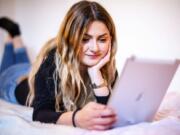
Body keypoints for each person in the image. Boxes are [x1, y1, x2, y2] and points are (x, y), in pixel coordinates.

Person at [27, 0, 118, 130]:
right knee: (14, 69)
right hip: (15, 84)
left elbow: (107, 113)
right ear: (71, 40)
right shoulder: (52, 63)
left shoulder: (107, 67)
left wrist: (96, 76)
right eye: (84, 39)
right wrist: (76, 118)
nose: (95, 48)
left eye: (102, 39)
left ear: (111, 39)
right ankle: (14, 37)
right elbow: (39, 114)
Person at [0, 17, 30, 105]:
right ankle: (13, 33)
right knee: (8, 49)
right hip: (12, 78)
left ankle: (15, 34)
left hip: (28, 70)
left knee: (20, 56)